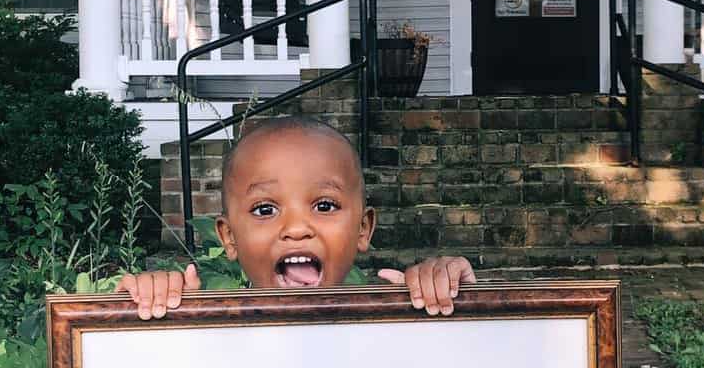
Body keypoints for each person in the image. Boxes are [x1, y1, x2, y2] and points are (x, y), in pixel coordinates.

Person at [121, 116, 476, 320]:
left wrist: (449, 301)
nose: (295, 229)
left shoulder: (395, 333)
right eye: (265, 210)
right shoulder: (210, 340)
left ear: (363, 228)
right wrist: (157, 310)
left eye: (324, 206)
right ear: (229, 237)